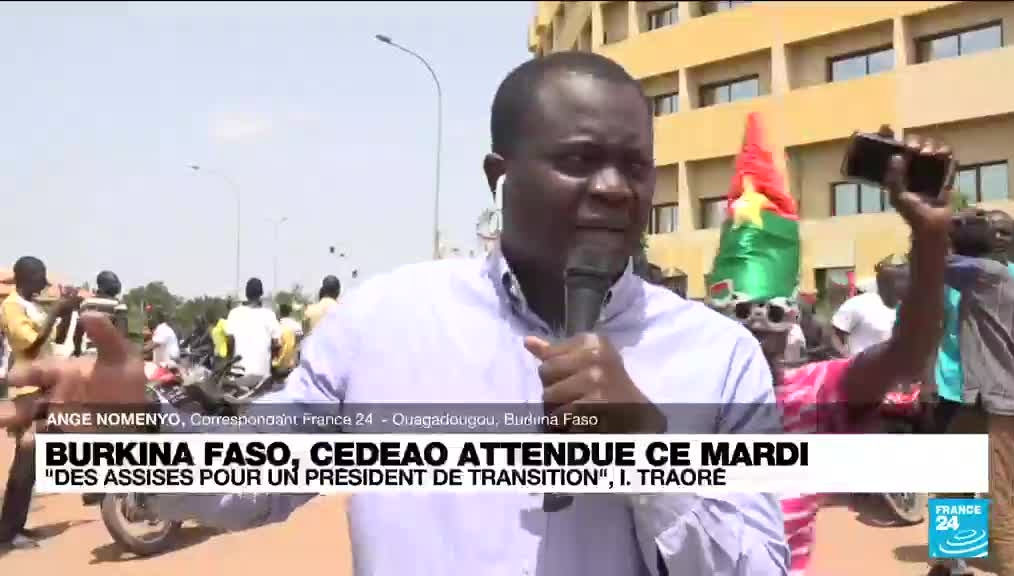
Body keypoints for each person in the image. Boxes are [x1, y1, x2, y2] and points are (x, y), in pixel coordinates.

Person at [10, 52, 790, 575]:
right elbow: (248, 481)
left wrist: (654, 461)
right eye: (580, 160)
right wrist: (138, 431)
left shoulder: (718, 358)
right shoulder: (384, 322)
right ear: (499, 175)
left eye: (636, 166)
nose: (616, 189)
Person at [704, 113, 951, 575]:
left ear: (791, 321)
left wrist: (930, 237)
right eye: (740, 315)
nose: (756, 331)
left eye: (772, 316)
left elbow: (907, 351)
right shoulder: (669, 393)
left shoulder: (812, 394)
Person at [928, 213, 1014, 576]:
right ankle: (952, 560)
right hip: (968, 393)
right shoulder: (985, 273)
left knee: (997, 494)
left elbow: (927, 258)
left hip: (998, 399)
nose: (998, 235)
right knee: (953, 480)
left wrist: (938, 221)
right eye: (990, 228)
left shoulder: (989, 273)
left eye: (1005, 231)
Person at [0, 256, 78, 549]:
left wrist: (67, 313)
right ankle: (8, 532)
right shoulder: (11, 306)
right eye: (39, 277)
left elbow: (55, 337)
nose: (43, 284)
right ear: (25, 277)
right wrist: (56, 310)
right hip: (28, 391)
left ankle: (13, 526)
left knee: (32, 460)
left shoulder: (32, 306)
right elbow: (30, 345)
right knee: (27, 458)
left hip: (44, 388)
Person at [829, 259, 905, 357]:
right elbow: (836, 334)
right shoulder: (859, 303)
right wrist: (847, 357)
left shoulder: (907, 305)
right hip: (862, 363)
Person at [225, 278, 281, 378]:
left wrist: (229, 363)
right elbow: (276, 344)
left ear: (246, 294)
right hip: (262, 375)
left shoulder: (234, 313)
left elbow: (230, 342)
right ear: (261, 293)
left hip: (238, 373)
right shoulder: (269, 315)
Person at [73, 270, 128, 357]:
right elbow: (122, 334)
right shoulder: (119, 305)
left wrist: (77, 351)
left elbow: (78, 333)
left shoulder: (85, 303)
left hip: (89, 353)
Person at [272, 301, 302, 375]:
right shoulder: (296, 324)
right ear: (290, 312)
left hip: (277, 361)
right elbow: (298, 342)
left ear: (280, 312)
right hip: (291, 360)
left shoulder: (276, 324)